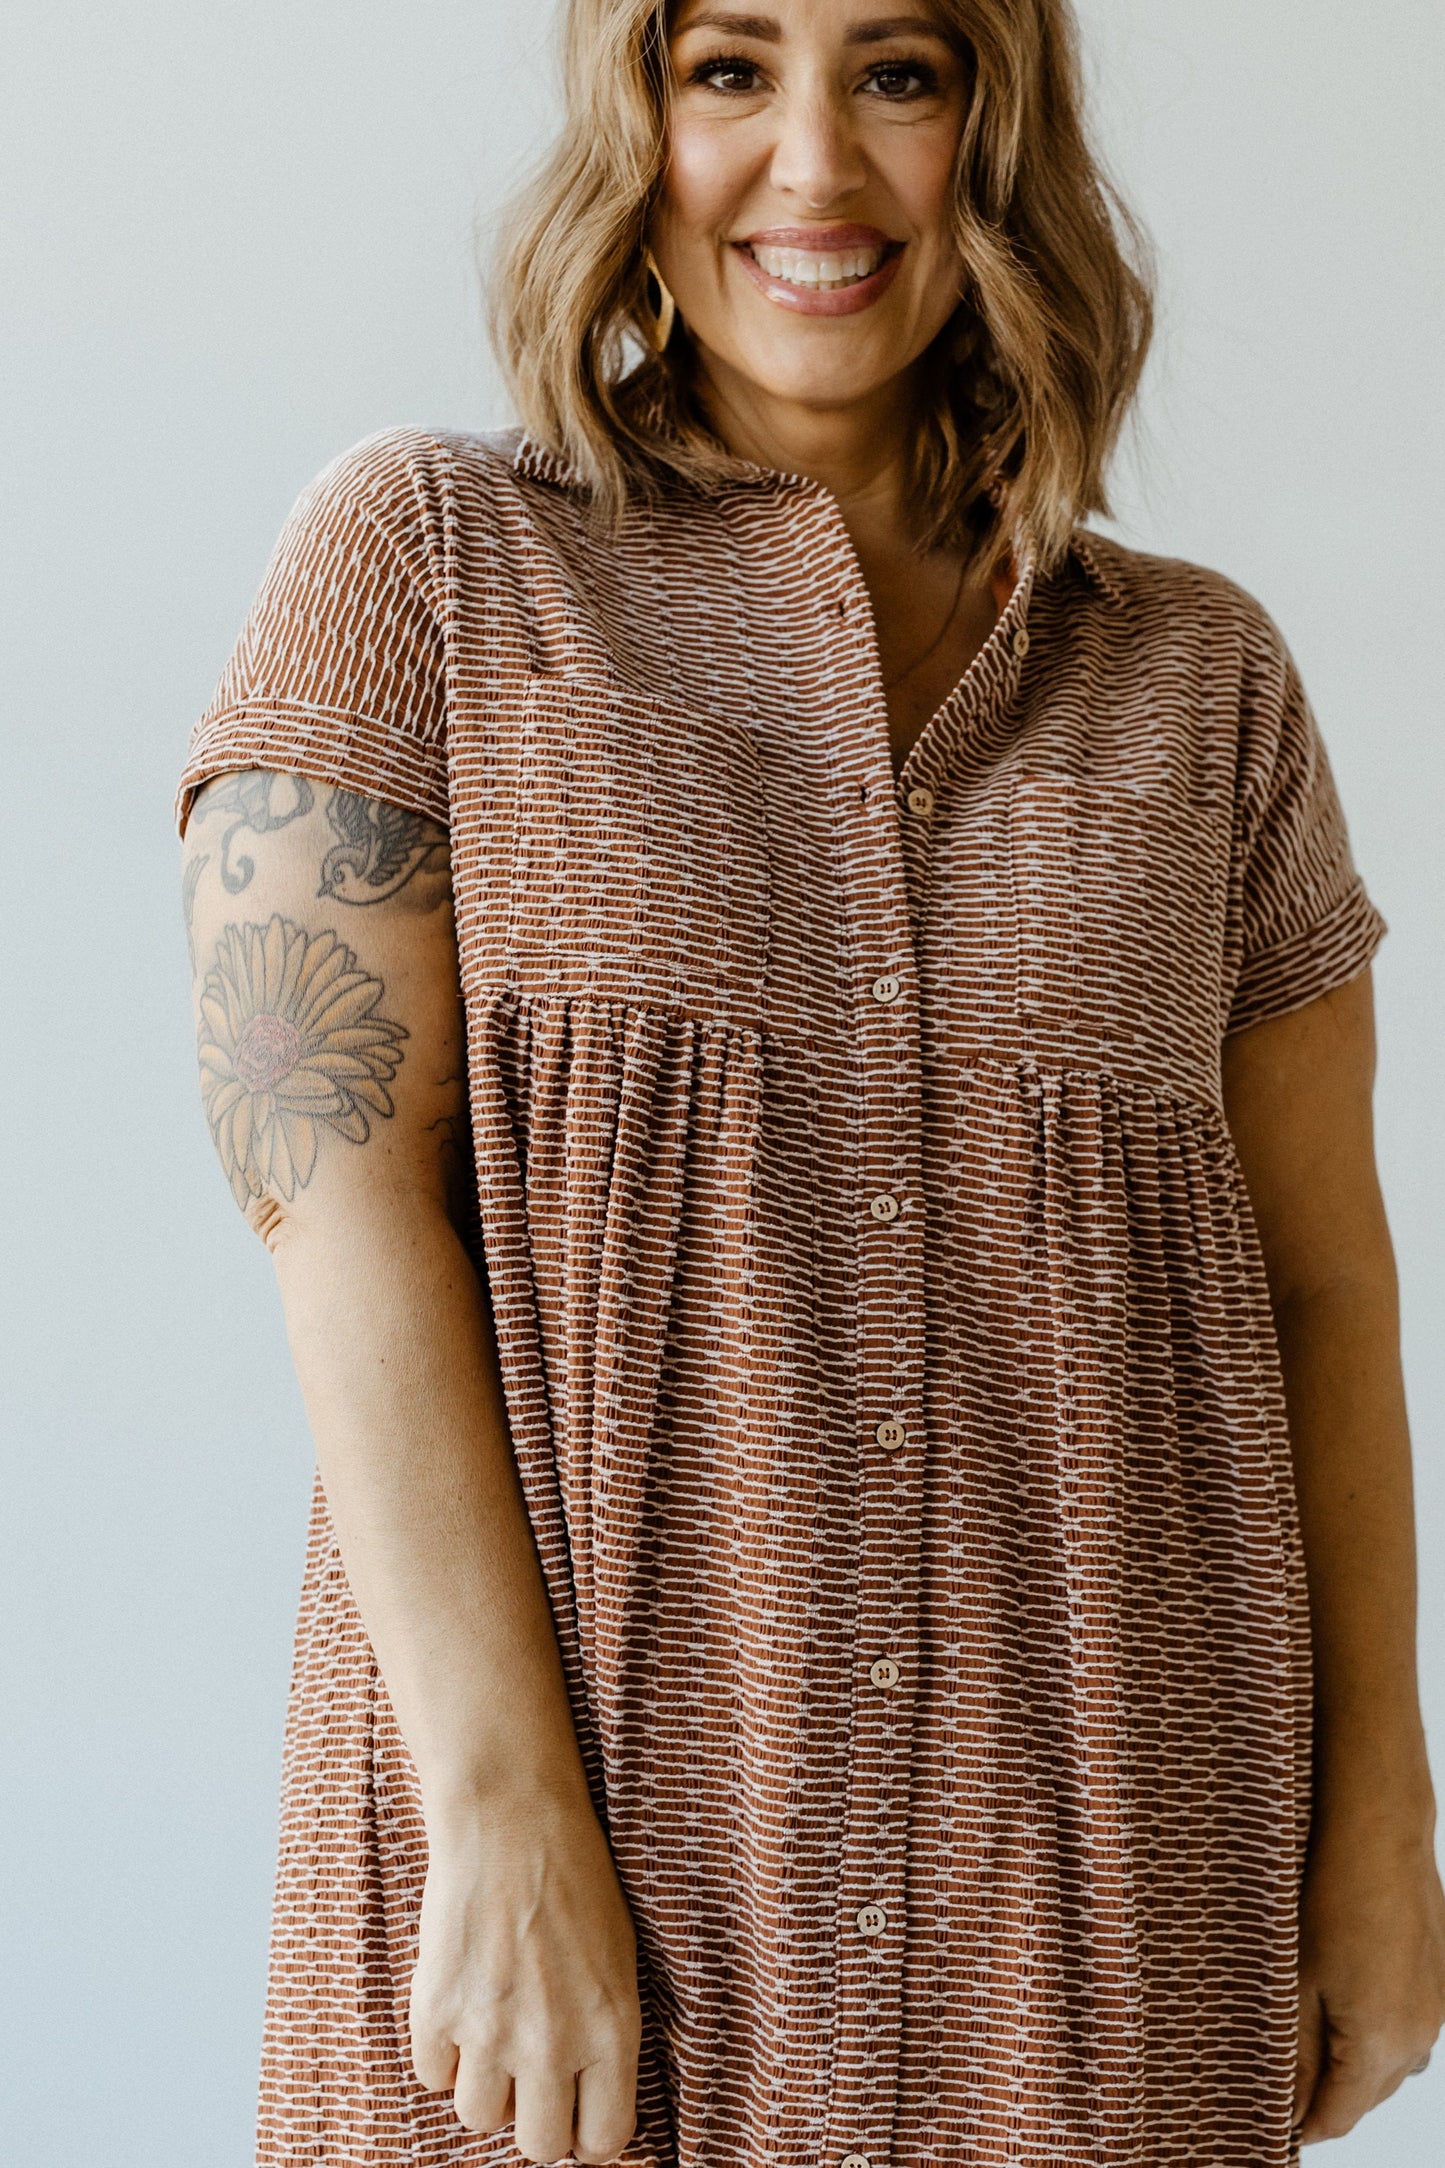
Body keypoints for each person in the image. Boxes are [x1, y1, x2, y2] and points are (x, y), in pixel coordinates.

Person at [175, 2, 1445, 2163]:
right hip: (562, 1920)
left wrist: (1383, 1819)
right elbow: (335, 1196)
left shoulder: (1201, 683)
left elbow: (1326, 1284)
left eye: (900, 73)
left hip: (1100, 1900)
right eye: (729, 68)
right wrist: (497, 1813)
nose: (815, 169)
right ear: (631, 118)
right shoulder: (428, 571)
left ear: (997, 128)